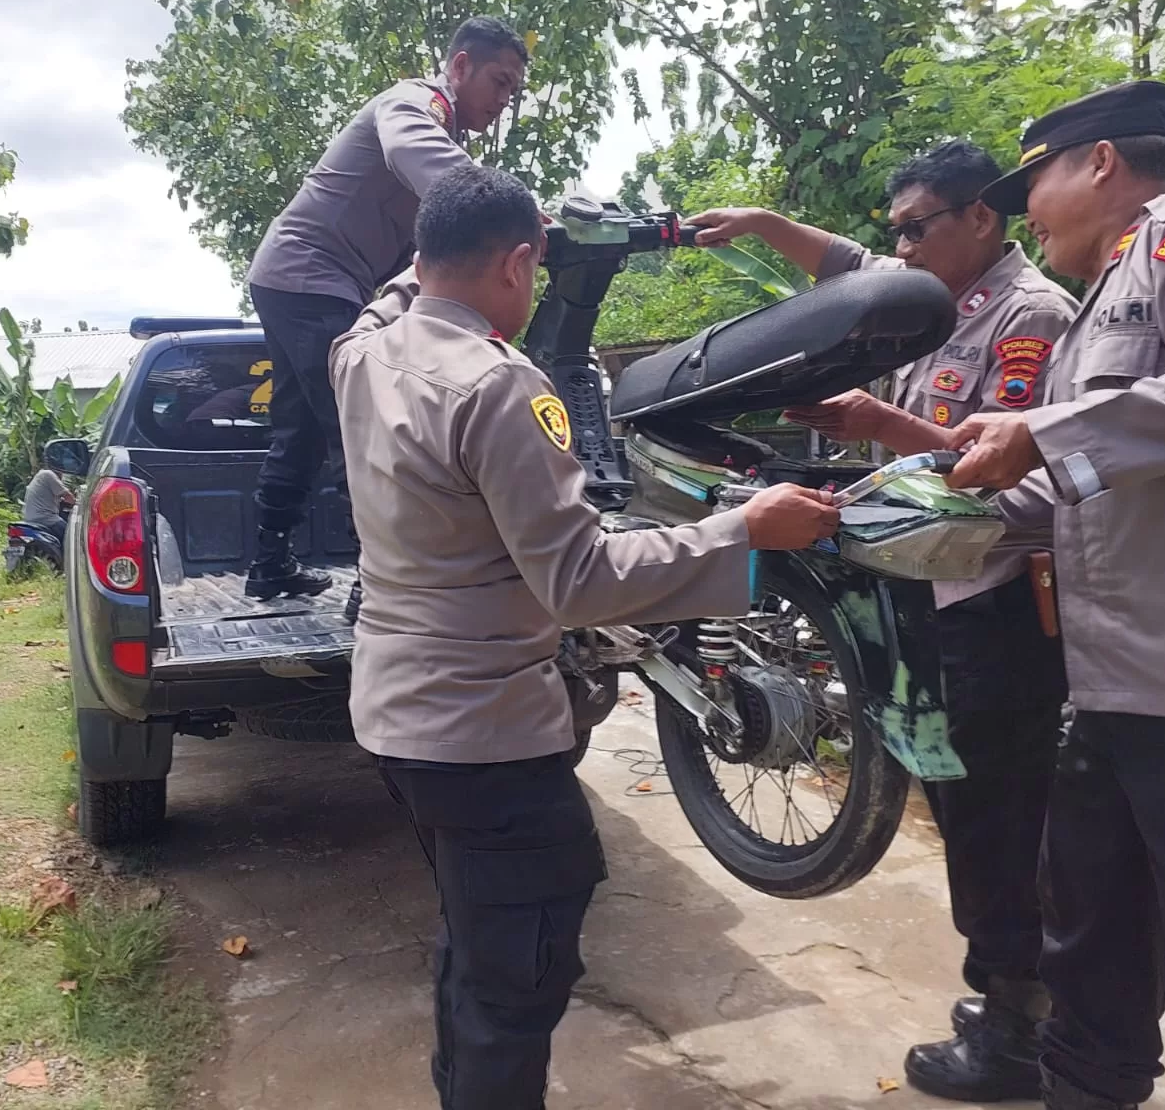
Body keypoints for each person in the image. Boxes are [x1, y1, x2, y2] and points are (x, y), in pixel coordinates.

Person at [328, 165, 841, 1110]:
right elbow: (580, 583)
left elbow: (393, 290)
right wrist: (742, 530)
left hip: (399, 719)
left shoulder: (361, 353)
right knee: (514, 987)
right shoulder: (502, 388)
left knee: (477, 948)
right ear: (521, 263)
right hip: (487, 736)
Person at [686, 141, 1076, 1102]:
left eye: (915, 225)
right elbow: (848, 267)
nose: (896, 245)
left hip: (992, 608)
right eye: (893, 227)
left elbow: (1012, 469)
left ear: (981, 217)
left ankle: (1020, 1034)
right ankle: (1009, 998)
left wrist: (881, 422)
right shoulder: (928, 293)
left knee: (999, 817)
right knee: (960, 804)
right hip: (924, 597)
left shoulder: (1028, 319)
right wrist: (762, 225)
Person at [946, 79, 1165, 1110]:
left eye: (1031, 179)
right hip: (1111, 699)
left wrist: (1044, 432)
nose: (1025, 209)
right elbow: (1084, 490)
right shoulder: (1097, 304)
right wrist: (908, 509)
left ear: (1098, 164)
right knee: (1088, 955)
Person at [244, 15, 530, 607]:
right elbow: (412, 149)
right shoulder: (413, 103)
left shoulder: (441, 132)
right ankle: (376, 586)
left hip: (292, 278)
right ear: (459, 67)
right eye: (498, 82)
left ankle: (268, 565)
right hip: (310, 276)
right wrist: (508, 215)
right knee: (363, 428)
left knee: (299, 429)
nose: (503, 100)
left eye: (512, 90)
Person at [21, 458, 73, 537]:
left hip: (29, 518)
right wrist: (76, 502)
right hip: (44, 518)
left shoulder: (40, 476)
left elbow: (50, 498)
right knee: (69, 533)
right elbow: (68, 497)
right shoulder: (48, 474)